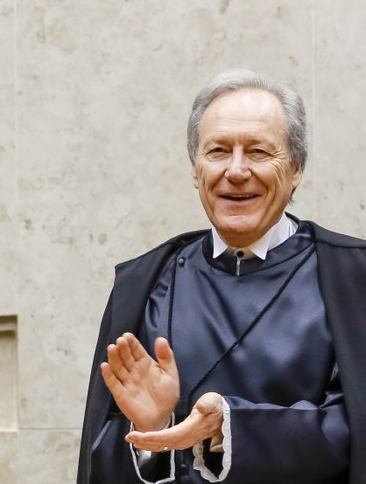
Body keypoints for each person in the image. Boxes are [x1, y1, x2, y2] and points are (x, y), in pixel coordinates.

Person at [78, 69, 366, 484]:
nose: (235, 170)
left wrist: (228, 428)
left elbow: (354, 431)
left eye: (258, 152)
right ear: (196, 170)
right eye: (217, 151)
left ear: (297, 168)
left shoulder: (351, 277)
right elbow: (101, 461)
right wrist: (153, 430)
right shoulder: (144, 283)